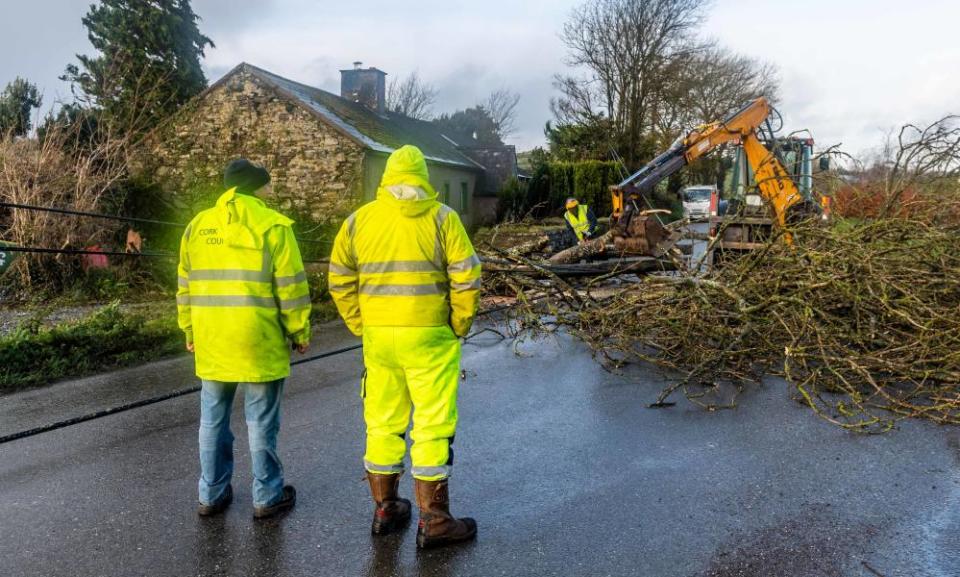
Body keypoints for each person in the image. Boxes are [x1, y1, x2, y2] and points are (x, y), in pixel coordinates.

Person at [328, 145, 482, 549]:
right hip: (430, 336)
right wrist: (459, 323)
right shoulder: (443, 218)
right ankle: (434, 520)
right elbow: (467, 277)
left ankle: (386, 509)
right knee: (431, 423)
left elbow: (339, 277)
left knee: (382, 421)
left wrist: (361, 323)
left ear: (387, 178)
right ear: (424, 177)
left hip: (379, 339)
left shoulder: (359, 221)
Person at [176, 158, 312, 519]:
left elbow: (185, 286)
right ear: (257, 187)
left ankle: (211, 493)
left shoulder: (197, 226)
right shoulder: (274, 226)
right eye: (268, 184)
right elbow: (292, 288)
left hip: (212, 338)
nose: (272, 189)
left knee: (212, 419)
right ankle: (267, 496)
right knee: (261, 421)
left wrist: (189, 329)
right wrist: (299, 331)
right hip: (258, 339)